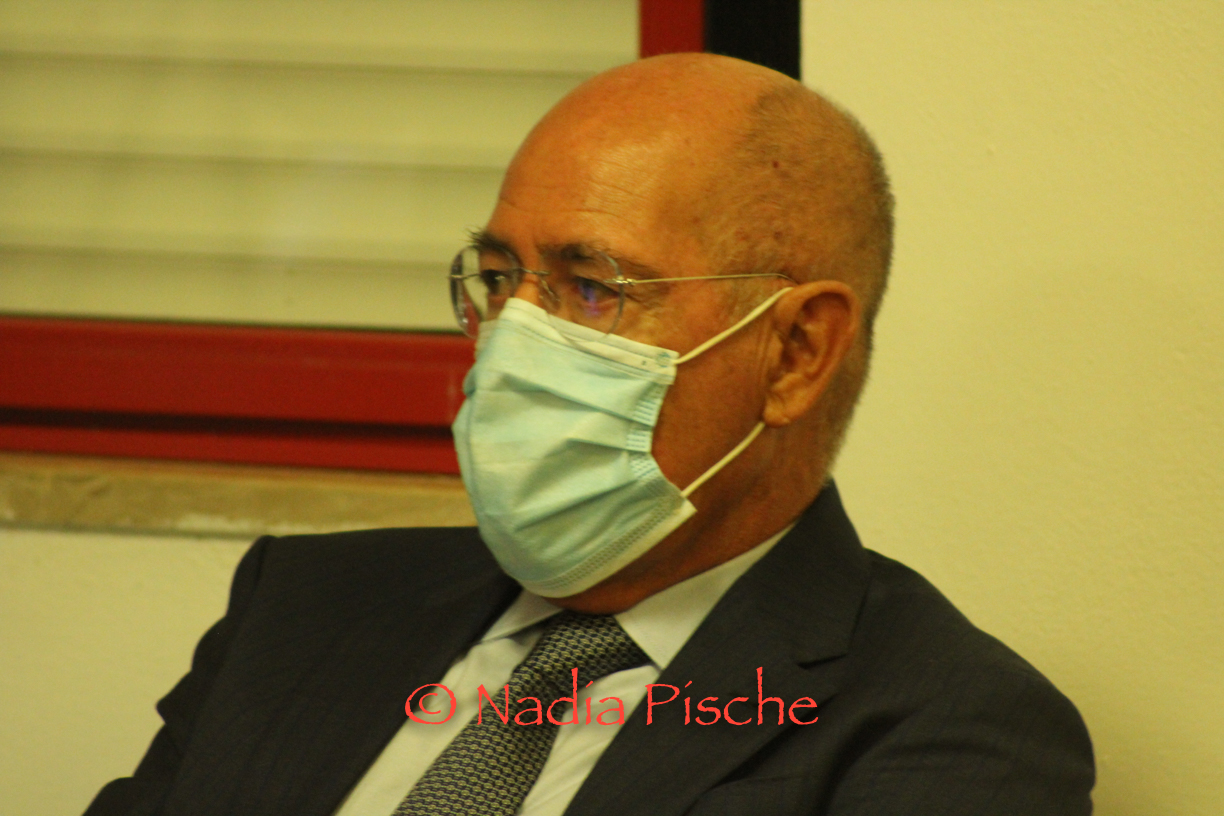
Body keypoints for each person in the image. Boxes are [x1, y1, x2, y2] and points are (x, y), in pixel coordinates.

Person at [85, 53, 1094, 816]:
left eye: (593, 288)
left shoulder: (950, 730)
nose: (511, 340)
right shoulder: (303, 606)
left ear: (794, 353)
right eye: (498, 279)